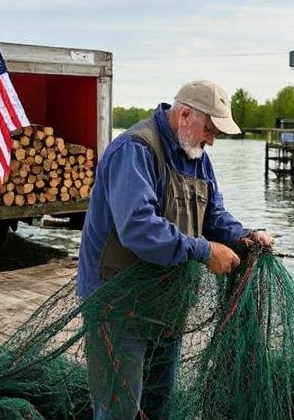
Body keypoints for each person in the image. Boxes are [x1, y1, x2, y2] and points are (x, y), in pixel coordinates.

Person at [76, 79, 275, 420]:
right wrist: (203, 251)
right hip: (117, 302)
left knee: (160, 405)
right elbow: (138, 228)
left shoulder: (198, 157)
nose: (212, 140)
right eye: (210, 129)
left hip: (167, 302)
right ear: (185, 115)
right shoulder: (134, 150)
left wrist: (244, 236)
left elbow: (214, 216)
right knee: (118, 409)